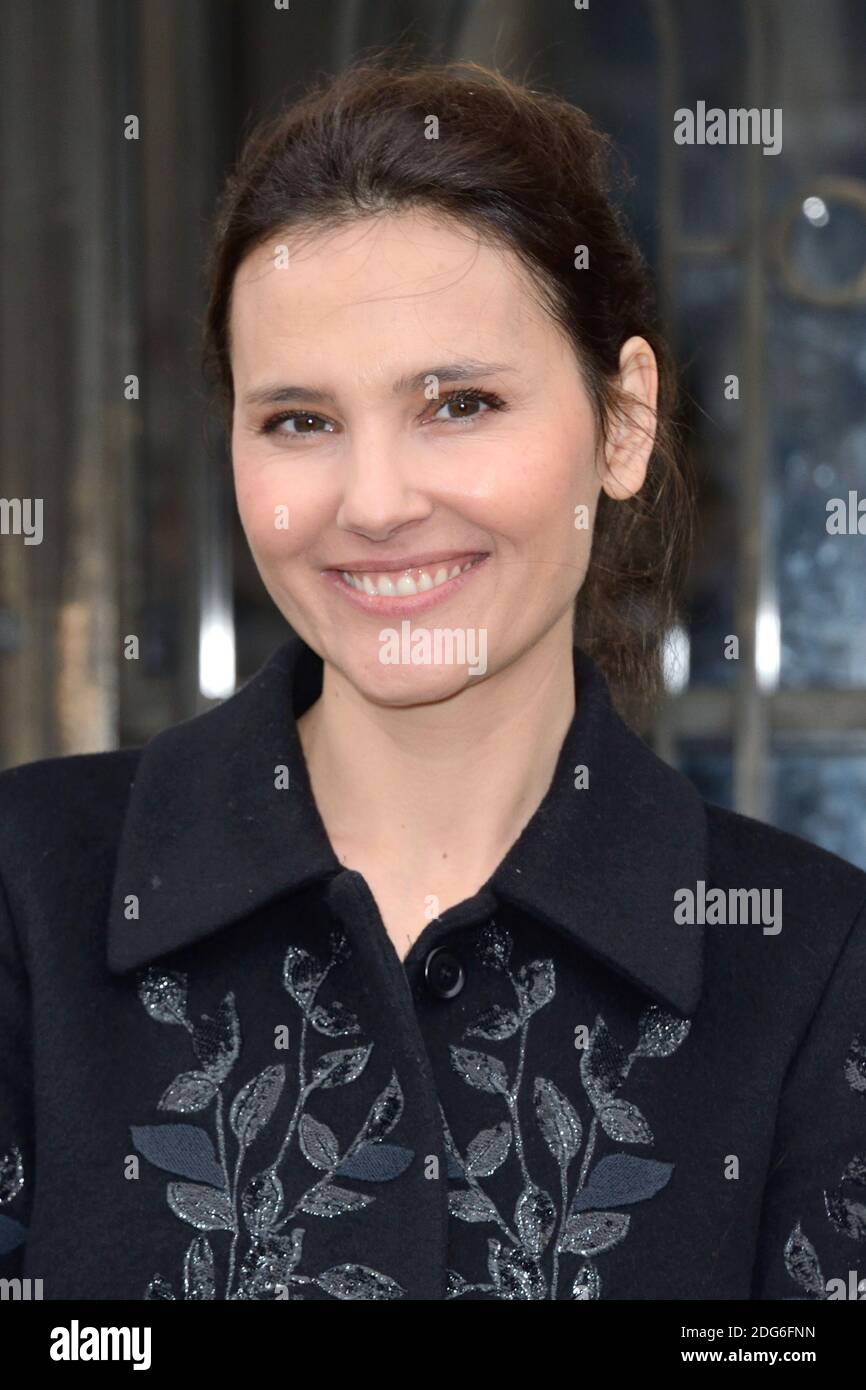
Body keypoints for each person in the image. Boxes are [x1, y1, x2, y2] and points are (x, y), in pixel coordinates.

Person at [1, 56, 864, 1302]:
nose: (375, 502)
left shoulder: (809, 964)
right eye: (299, 419)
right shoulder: (27, 890)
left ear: (621, 423)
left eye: (457, 403)